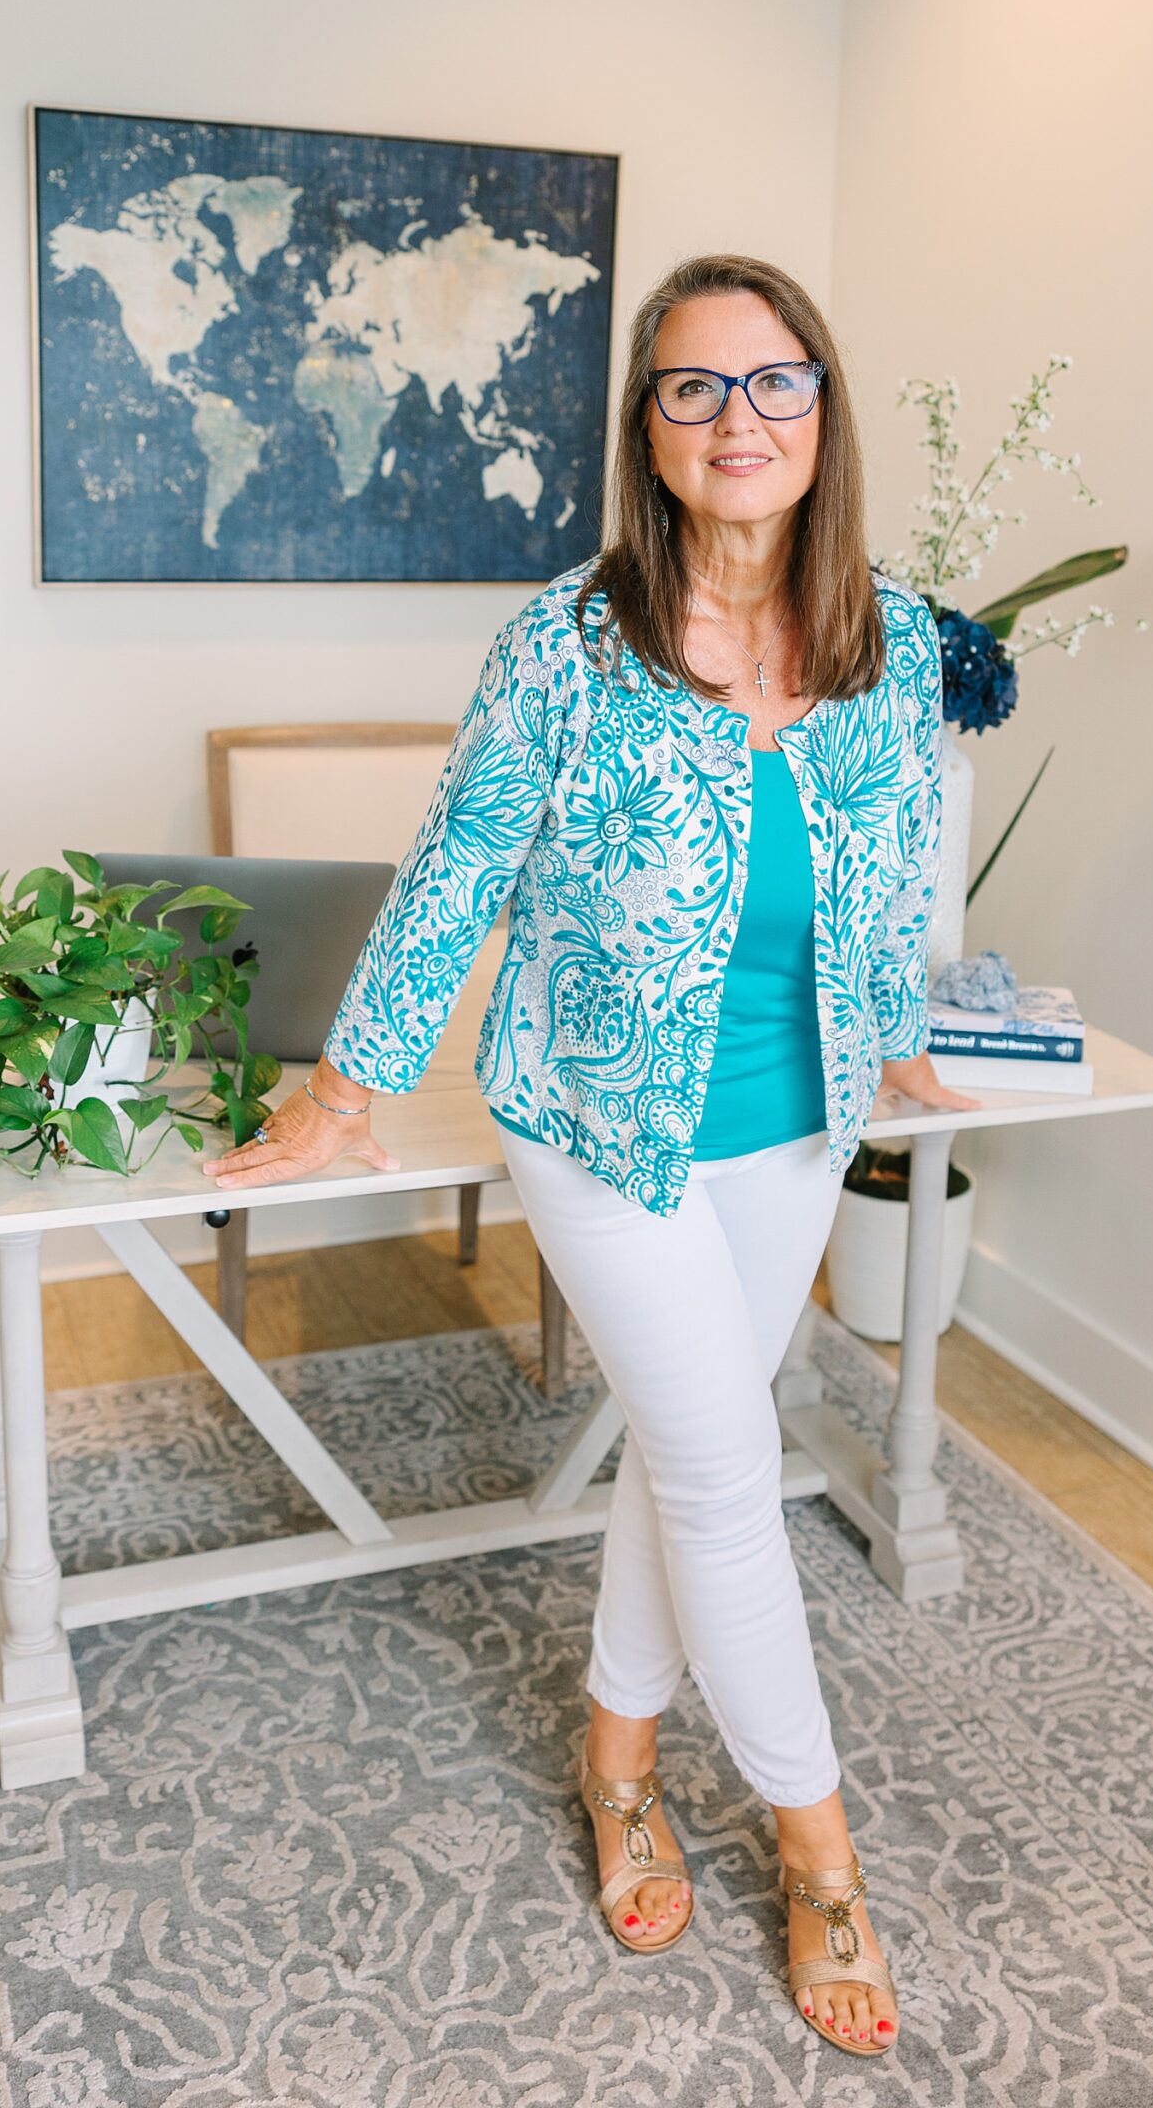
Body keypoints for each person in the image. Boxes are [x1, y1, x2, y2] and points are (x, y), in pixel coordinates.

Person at [203, 251, 979, 2060]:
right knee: (729, 1467)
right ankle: (824, 1855)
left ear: (822, 410)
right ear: (647, 425)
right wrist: (353, 1082)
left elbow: (889, 865)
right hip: (601, 1123)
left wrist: (906, 1038)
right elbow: (460, 862)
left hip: (793, 1131)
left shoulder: (898, 635)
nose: (740, 419)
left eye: (775, 382)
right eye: (697, 388)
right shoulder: (568, 637)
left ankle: (616, 1758)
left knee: (679, 1443)